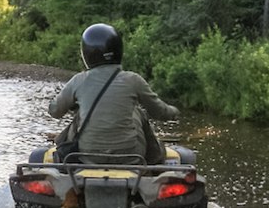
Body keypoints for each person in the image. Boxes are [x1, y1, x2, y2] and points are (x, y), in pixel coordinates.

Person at [47, 23, 179, 164]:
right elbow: (160, 112)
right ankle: (154, 158)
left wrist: (75, 105)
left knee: (80, 116)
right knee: (138, 112)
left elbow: (54, 111)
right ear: (118, 50)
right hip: (131, 156)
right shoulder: (133, 80)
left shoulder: (79, 80)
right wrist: (174, 112)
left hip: (88, 156)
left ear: (86, 54)